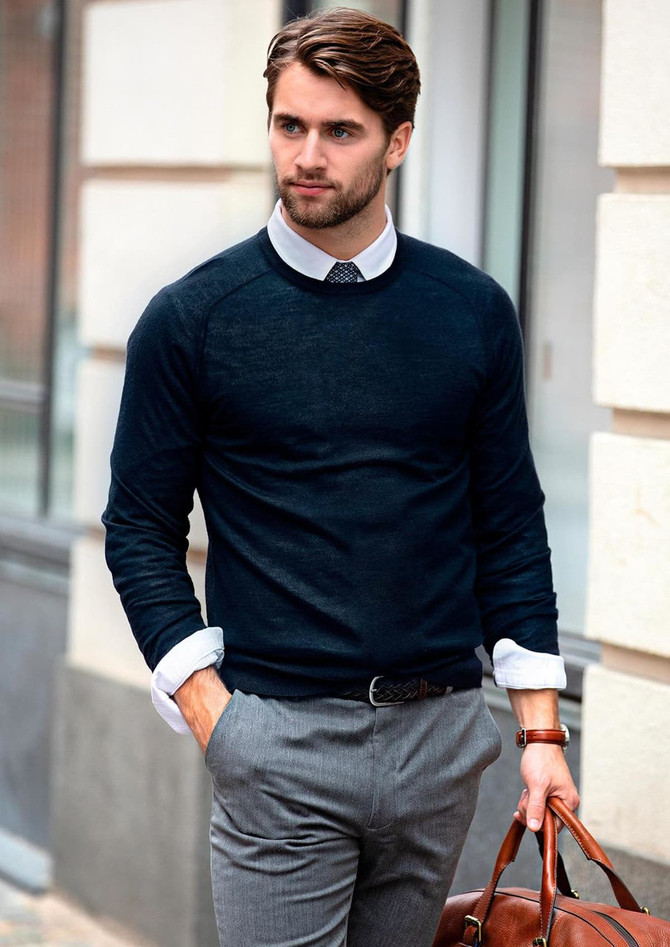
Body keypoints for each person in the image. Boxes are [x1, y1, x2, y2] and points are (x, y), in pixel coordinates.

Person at [103, 8, 579, 946]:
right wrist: (216, 717)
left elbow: (510, 523)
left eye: (340, 131)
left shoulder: (472, 312)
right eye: (290, 126)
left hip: (440, 743)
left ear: (397, 141)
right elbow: (139, 527)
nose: (307, 155)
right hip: (277, 743)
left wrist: (542, 734)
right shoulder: (192, 320)